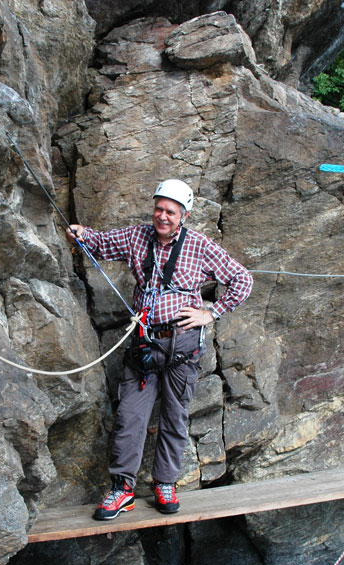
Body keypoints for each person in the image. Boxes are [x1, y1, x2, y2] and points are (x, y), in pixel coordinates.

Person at [65, 179, 253, 520]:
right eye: (159, 209)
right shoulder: (137, 237)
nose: (162, 216)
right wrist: (80, 234)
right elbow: (101, 243)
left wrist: (210, 313)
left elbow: (242, 280)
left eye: (170, 211)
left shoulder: (199, 246)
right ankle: (122, 489)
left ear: (183, 215)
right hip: (144, 342)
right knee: (130, 416)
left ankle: (165, 483)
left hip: (181, 345)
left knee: (174, 415)